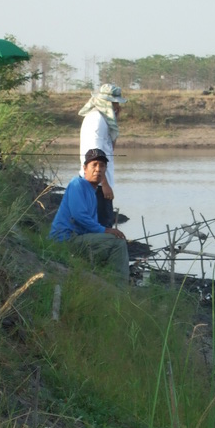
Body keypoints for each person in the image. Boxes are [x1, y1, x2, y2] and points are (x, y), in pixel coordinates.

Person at [50, 148, 129, 284]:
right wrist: (105, 230)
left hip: (79, 239)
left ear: (105, 171)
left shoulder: (92, 192)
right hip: (65, 239)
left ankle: (108, 280)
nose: (98, 169)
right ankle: (120, 289)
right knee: (117, 243)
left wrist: (104, 233)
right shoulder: (77, 184)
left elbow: (89, 226)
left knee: (113, 241)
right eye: (94, 165)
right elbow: (79, 216)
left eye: (102, 166)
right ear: (85, 168)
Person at [78, 84, 127, 227]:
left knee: (102, 224)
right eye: (114, 103)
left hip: (97, 182)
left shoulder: (103, 120)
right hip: (96, 184)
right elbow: (94, 155)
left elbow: (109, 149)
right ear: (106, 103)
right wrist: (104, 184)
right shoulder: (96, 120)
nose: (117, 107)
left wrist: (115, 121)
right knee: (101, 225)